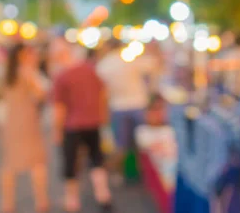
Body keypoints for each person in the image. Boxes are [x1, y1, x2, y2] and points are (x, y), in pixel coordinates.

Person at [52, 42, 112, 213]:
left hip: (72, 126)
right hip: (93, 123)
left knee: (71, 163)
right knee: (96, 160)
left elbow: (59, 109)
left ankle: (72, 201)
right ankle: (103, 195)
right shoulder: (89, 70)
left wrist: (57, 131)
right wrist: (103, 116)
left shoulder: (62, 76)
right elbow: (103, 93)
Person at [96, 39, 160, 177]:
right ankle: (146, 172)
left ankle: (124, 172)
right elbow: (152, 65)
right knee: (143, 141)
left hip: (118, 106)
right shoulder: (128, 59)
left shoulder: (104, 65)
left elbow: (101, 91)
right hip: (138, 104)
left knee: (122, 143)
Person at [0, 43, 49, 213]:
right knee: (36, 163)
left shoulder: (7, 73)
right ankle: (41, 202)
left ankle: (7, 204)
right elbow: (41, 93)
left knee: (9, 164)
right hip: (27, 120)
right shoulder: (26, 72)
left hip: (10, 121)